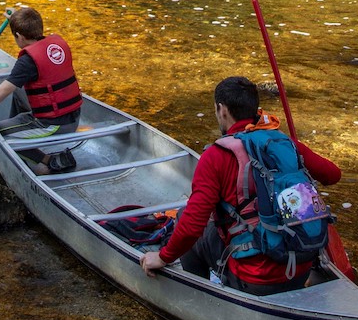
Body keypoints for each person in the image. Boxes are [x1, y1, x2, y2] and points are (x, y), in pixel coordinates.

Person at [139, 76, 341, 294]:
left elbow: (192, 227)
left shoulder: (216, 156)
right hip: (300, 270)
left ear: (222, 110)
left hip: (255, 280)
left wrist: (161, 257)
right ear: (255, 108)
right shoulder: (283, 143)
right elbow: (333, 175)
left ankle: (196, 298)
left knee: (184, 217)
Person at [0, 5, 81, 171]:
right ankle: (19, 129)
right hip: (74, 116)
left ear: (19, 36)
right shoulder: (56, 44)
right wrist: (15, 19)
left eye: (16, 36)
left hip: (53, 126)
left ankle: (48, 160)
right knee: (18, 89)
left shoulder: (27, 62)